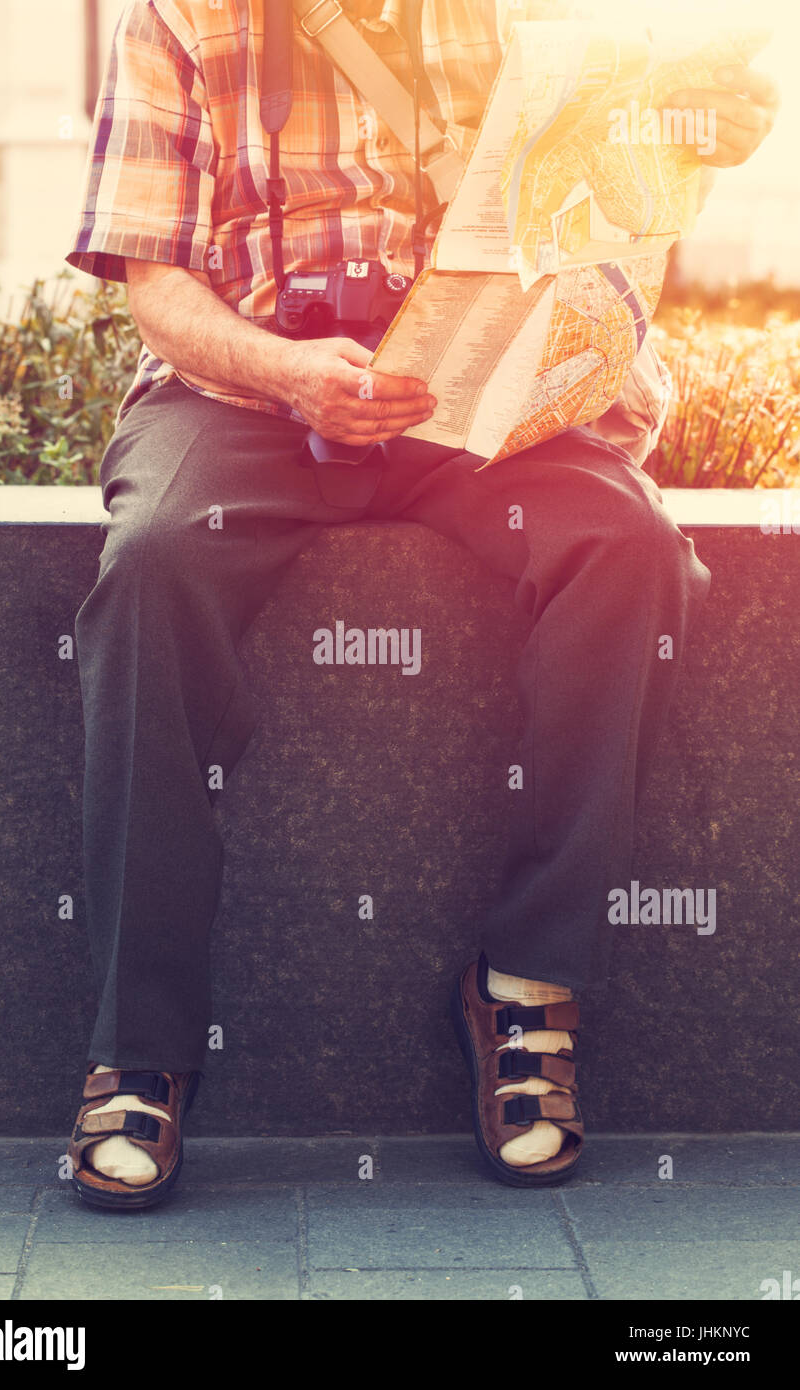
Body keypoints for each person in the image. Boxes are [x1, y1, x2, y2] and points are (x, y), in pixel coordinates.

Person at [63, 0, 778, 1207]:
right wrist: (287, 371)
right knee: (151, 564)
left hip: (475, 392)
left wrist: (692, 128)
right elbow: (156, 286)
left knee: (631, 552)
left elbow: (619, 178)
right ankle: (139, 1045)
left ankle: (526, 989)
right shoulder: (178, 17)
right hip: (243, 388)